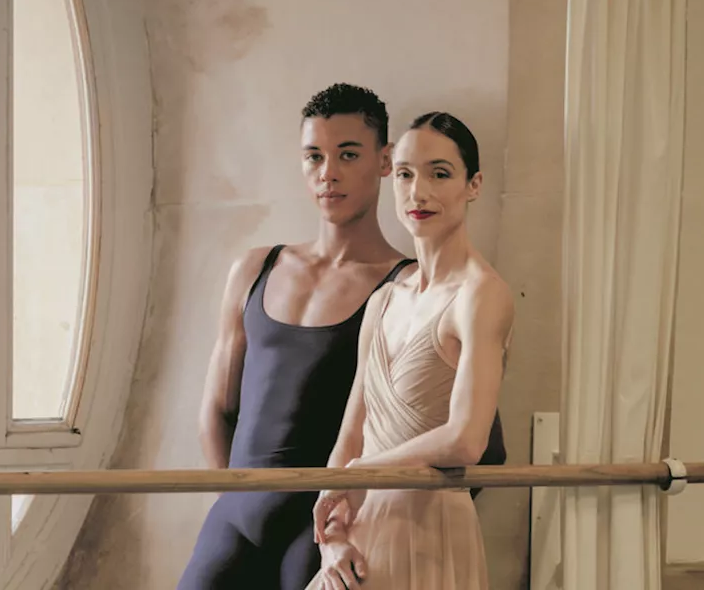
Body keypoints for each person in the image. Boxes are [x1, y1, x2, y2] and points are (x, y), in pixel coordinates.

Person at [177, 85, 506, 590]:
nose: (328, 173)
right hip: (241, 518)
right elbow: (218, 409)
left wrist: (380, 520)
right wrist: (232, 501)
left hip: (338, 525)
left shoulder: (419, 287)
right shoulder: (256, 269)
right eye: (314, 156)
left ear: (380, 161)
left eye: (347, 155)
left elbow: (476, 444)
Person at [304, 111, 514, 590]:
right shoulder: (383, 300)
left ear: (473, 184)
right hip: (354, 544)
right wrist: (332, 536)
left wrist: (360, 475)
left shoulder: (482, 294)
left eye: (439, 174)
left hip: (430, 534)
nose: (418, 192)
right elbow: (350, 436)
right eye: (404, 174)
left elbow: (466, 440)